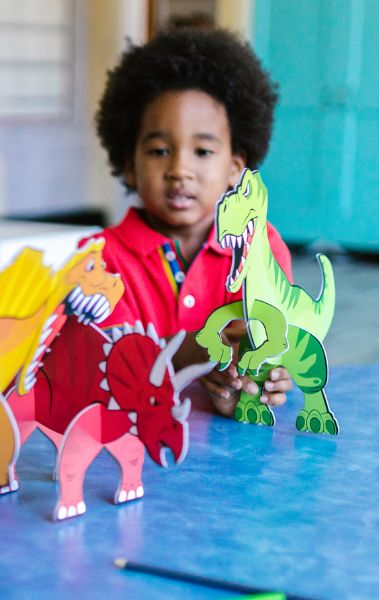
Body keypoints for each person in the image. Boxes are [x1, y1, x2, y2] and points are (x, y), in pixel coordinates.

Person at [88, 28, 295, 416]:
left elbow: (271, 344)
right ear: (130, 165)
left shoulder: (260, 249)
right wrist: (188, 352)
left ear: (236, 167)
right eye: (159, 150)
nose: (180, 170)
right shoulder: (98, 262)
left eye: (202, 150)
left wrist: (253, 381)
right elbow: (102, 367)